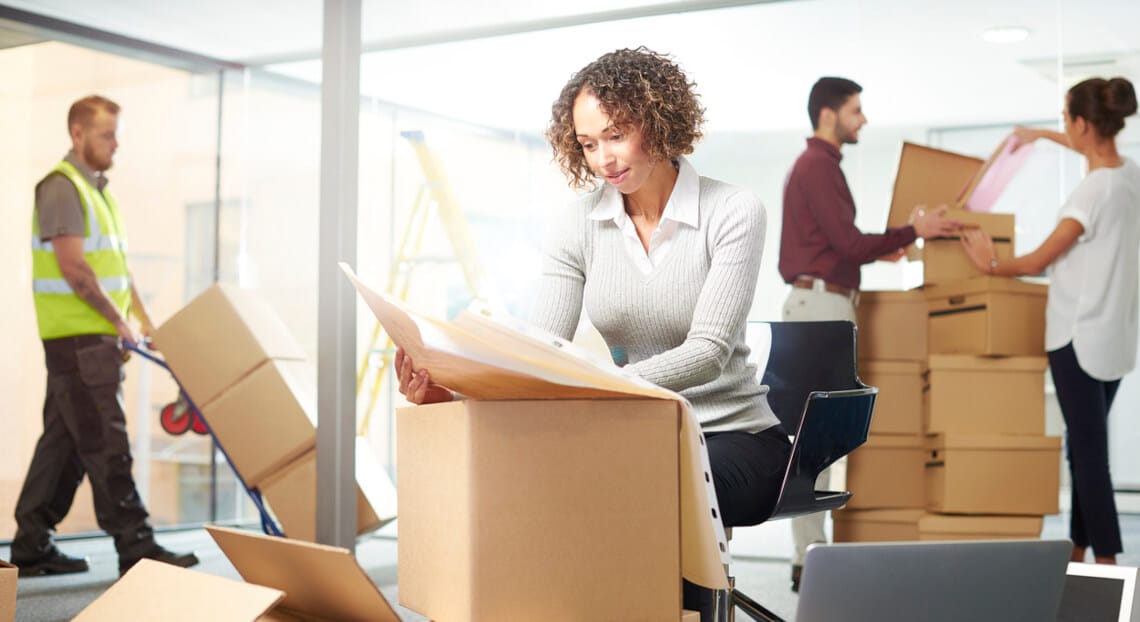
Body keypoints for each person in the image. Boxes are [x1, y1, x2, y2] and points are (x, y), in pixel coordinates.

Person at [394, 47, 790, 620]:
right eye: (587, 144)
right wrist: (450, 392)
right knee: (545, 482)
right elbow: (536, 353)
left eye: (616, 135)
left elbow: (707, 353)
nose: (602, 158)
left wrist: (599, 384)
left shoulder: (732, 210)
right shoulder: (577, 225)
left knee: (632, 496)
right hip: (631, 430)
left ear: (659, 120)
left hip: (730, 433)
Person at [778, 76, 960, 591]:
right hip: (820, 307)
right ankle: (809, 555)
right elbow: (849, 243)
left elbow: (844, 245)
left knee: (819, 436)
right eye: (856, 110)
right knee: (815, 438)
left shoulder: (819, 166)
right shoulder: (817, 166)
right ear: (829, 115)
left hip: (823, 303)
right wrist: (911, 230)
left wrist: (888, 245)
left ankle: (810, 553)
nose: (864, 119)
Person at [13, 95, 199, 577]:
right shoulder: (62, 187)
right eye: (106, 134)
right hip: (79, 340)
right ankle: (135, 543)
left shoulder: (99, 192)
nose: (116, 143)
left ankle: (31, 544)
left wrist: (143, 318)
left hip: (91, 338)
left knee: (65, 443)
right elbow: (73, 267)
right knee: (106, 442)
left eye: (116, 133)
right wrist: (119, 324)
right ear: (77, 133)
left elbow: (114, 268)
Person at [962, 77, 1140, 565]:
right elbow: (1092, 147)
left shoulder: (1089, 194)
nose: (1065, 127)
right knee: (1084, 446)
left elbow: (1041, 259)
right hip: (1116, 341)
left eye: (1066, 120)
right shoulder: (1130, 176)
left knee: (1087, 455)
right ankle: (1079, 548)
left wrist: (991, 264)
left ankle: (1106, 561)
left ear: (1083, 123)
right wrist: (1043, 135)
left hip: (1076, 340)